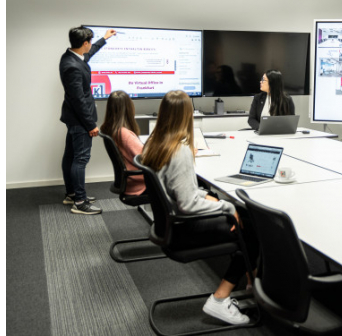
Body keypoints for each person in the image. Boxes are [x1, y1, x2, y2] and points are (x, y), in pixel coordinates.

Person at [142, 90, 257, 325]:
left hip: (169, 225)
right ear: (186, 116)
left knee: (242, 214)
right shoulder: (180, 149)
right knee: (253, 229)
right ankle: (220, 299)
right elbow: (187, 204)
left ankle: (252, 284)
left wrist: (209, 197)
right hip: (183, 228)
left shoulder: (154, 143)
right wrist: (225, 206)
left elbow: (178, 190)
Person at [60, 25, 116, 214]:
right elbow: (78, 100)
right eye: (90, 42)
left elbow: (89, 53)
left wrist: (104, 38)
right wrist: (90, 124)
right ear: (84, 43)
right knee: (80, 159)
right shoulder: (72, 67)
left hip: (73, 118)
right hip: (80, 119)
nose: (90, 45)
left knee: (70, 156)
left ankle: (72, 194)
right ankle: (80, 202)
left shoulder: (71, 56)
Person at [100, 90, 145, 195]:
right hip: (139, 183)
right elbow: (147, 158)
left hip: (129, 181)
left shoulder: (109, 128)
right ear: (129, 108)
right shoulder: (125, 134)